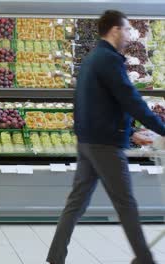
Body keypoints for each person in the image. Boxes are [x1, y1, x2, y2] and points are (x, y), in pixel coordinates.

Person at [47, 10, 165, 264]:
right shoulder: (110, 60)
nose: (129, 35)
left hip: (88, 142)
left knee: (75, 204)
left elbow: (92, 103)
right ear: (114, 30)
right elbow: (131, 100)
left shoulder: (91, 59)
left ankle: (55, 257)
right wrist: (161, 128)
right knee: (126, 204)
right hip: (105, 146)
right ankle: (145, 259)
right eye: (126, 29)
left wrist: (131, 131)